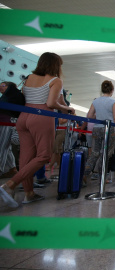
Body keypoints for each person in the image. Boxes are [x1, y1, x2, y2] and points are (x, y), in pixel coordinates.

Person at [0, 52, 75, 207]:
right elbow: (52, 103)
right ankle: (10, 185)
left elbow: (27, 97)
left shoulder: (29, 78)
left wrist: (63, 105)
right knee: (44, 155)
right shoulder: (56, 80)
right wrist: (69, 109)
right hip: (42, 117)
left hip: (23, 118)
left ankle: (29, 193)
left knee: (26, 158)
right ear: (55, 65)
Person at [81, 80, 115, 184]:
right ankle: (102, 177)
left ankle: (84, 174)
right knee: (106, 153)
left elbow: (89, 116)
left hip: (97, 128)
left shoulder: (96, 101)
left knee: (94, 152)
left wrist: (98, 116)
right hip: (110, 129)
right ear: (112, 90)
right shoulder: (114, 102)